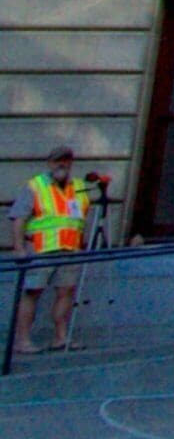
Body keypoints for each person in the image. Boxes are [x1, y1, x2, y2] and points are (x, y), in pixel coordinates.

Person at [15, 144, 107, 354]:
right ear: (50, 163)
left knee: (66, 292)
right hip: (41, 248)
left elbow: (79, 218)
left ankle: (61, 337)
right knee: (32, 292)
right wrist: (19, 248)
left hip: (69, 250)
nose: (62, 164)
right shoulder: (36, 186)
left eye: (66, 160)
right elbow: (19, 218)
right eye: (58, 160)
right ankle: (22, 340)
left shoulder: (78, 187)